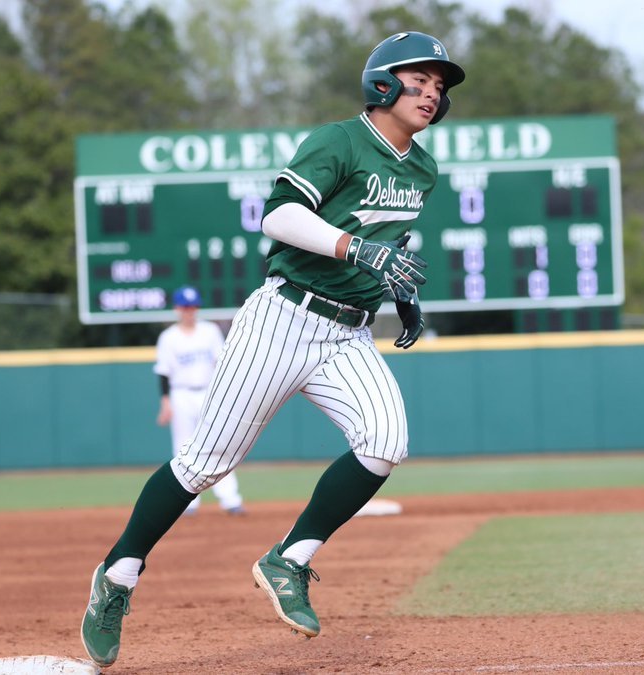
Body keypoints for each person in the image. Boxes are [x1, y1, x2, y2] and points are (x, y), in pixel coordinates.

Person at [80, 30, 464, 667]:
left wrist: (396, 289)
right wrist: (357, 250)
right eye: (418, 79)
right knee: (206, 463)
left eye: (440, 85)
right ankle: (117, 577)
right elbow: (279, 217)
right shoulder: (338, 139)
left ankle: (289, 558)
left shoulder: (423, 170)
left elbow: (377, 239)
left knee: (385, 441)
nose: (431, 92)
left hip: (347, 330)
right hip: (284, 317)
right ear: (382, 83)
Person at [154, 285, 244, 517]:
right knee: (182, 446)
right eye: (185, 306)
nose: (189, 311)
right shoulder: (168, 337)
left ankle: (230, 499)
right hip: (180, 393)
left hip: (207, 392)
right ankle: (187, 503)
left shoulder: (210, 331)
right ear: (177, 309)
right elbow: (163, 372)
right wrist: (165, 402)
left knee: (219, 444)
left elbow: (221, 363)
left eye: (193, 306)